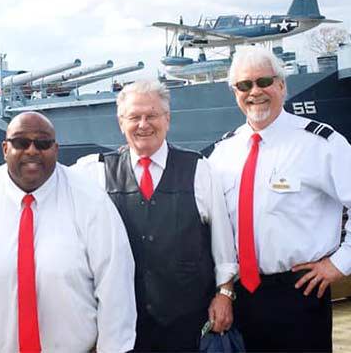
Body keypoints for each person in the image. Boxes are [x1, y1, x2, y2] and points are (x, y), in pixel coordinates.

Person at [0, 112, 136, 353]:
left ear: (56, 149)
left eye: (43, 143)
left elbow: (115, 285)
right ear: (5, 148)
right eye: (20, 142)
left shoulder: (91, 201)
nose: (31, 150)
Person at [75, 79, 237, 352]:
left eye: (151, 115)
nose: (143, 124)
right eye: (134, 117)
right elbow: (47, 178)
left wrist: (225, 293)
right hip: (124, 322)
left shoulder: (199, 169)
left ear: (167, 119)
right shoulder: (96, 172)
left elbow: (222, 241)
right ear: (120, 122)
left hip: (187, 321)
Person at [209, 45, 351, 353]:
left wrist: (341, 262)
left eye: (264, 82)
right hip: (239, 298)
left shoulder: (320, 143)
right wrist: (224, 289)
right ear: (235, 92)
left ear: (282, 85)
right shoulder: (223, 153)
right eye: (244, 85)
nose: (255, 92)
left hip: (299, 291)